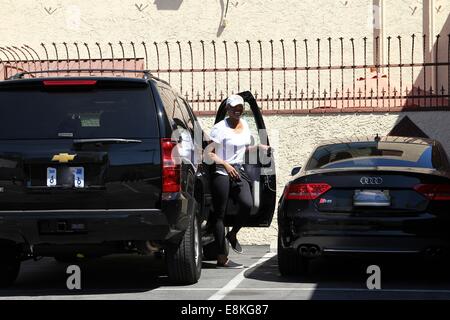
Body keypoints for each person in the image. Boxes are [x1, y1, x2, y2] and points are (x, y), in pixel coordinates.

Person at [207, 94, 270, 269]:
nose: (238, 110)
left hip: (239, 170)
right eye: (234, 107)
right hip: (222, 170)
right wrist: (226, 165)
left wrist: (258, 147)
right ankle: (221, 258)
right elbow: (208, 153)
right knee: (219, 214)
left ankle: (233, 234)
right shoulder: (219, 128)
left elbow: (244, 149)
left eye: (240, 107)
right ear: (227, 109)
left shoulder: (245, 125)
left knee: (247, 203)